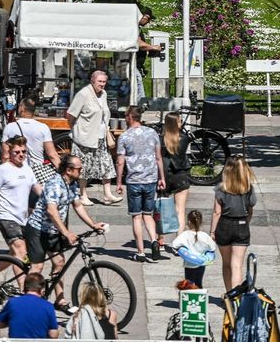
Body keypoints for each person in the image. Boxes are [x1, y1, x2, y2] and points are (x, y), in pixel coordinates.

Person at [26, 155, 104, 307]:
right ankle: (29, 304)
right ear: (68, 170)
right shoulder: (55, 184)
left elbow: (78, 205)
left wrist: (93, 225)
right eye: (79, 169)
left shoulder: (71, 184)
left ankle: (60, 300)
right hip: (38, 229)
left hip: (53, 231)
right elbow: (51, 211)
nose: (81, 171)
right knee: (37, 267)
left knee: (59, 262)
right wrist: (66, 233)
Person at [114, 105, 166, 262]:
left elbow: (120, 162)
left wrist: (118, 182)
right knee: (148, 215)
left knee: (136, 217)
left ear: (130, 117)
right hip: (150, 178)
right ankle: (154, 240)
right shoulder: (152, 133)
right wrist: (161, 177)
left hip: (134, 180)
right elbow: (158, 157)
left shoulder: (124, 137)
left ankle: (141, 252)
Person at [0, 135, 37, 268]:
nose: (21, 155)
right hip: (7, 217)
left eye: (24, 151)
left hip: (23, 218)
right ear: (10, 153)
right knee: (21, 253)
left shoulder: (27, 168)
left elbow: (37, 189)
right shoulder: (2, 170)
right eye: (17, 152)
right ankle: (25, 288)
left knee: (15, 254)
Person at [66, 70, 119, 205]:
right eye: (100, 81)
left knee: (106, 164)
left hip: (100, 137)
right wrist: (76, 129)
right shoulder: (83, 94)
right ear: (92, 81)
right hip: (85, 138)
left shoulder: (104, 94)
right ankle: (83, 194)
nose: (102, 84)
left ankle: (107, 194)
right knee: (84, 167)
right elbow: (71, 115)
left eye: (104, 82)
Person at [213, 155, 257, 293]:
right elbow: (250, 210)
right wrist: (246, 223)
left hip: (224, 225)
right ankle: (236, 296)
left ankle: (228, 293)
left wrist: (212, 232)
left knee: (226, 264)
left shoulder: (221, 189)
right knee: (237, 264)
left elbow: (216, 212)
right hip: (242, 224)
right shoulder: (248, 189)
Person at [160, 111, 192, 249]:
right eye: (179, 121)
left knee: (160, 209)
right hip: (180, 175)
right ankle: (178, 242)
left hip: (165, 175)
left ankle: (159, 239)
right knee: (180, 210)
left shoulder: (161, 139)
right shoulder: (184, 138)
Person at [0, 273, 58, 340]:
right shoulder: (48, 306)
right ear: (42, 291)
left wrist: (11, 320)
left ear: (24, 288)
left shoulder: (13, 302)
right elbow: (53, 334)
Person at [173, 209, 217, 289]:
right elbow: (212, 247)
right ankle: (200, 298)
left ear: (189, 222)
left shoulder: (185, 235)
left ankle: (189, 298)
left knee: (189, 283)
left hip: (189, 264)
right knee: (199, 282)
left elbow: (175, 244)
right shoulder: (204, 236)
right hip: (201, 263)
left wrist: (182, 250)